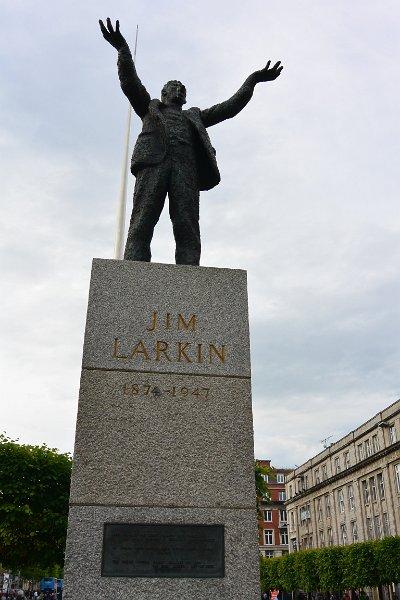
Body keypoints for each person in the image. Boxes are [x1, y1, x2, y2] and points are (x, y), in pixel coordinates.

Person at [99, 18, 283, 265]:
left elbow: (229, 107)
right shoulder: (149, 108)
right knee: (143, 219)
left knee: (186, 224)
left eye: (182, 88)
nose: (179, 89)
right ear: (164, 93)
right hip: (154, 163)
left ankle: (189, 274)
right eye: (174, 86)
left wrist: (253, 80)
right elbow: (130, 82)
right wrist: (122, 48)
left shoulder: (194, 116)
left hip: (185, 170)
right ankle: (134, 270)